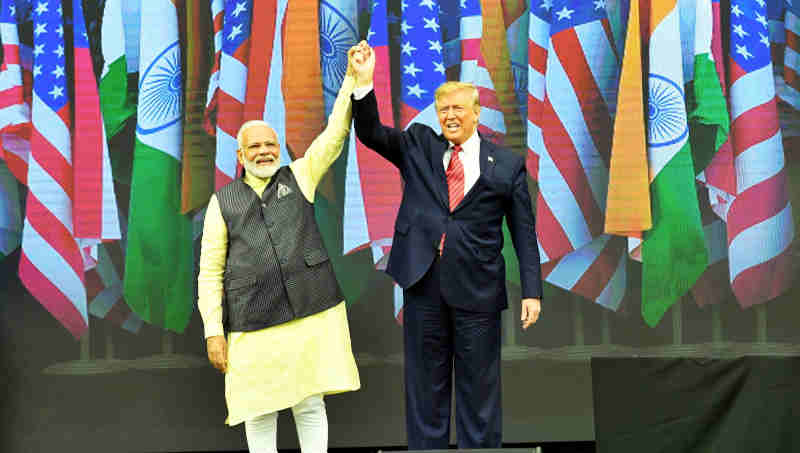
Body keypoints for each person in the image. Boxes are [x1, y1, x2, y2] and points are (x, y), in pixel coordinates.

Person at [348, 42, 543, 450]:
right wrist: (364, 84)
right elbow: (370, 133)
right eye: (443, 111)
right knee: (426, 391)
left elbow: (524, 232)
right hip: (424, 285)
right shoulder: (419, 145)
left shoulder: (505, 165)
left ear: (476, 113)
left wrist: (531, 292)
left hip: (479, 291)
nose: (450, 117)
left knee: (480, 393)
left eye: (458, 109)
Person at [197, 64, 361, 453]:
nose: (264, 151)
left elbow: (334, 136)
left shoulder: (300, 175)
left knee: (309, 403)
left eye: (270, 144)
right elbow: (208, 272)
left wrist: (353, 80)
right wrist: (213, 332)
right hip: (252, 320)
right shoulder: (222, 202)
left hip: (310, 310)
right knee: (258, 410)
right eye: (254, 146)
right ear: (240, 155)